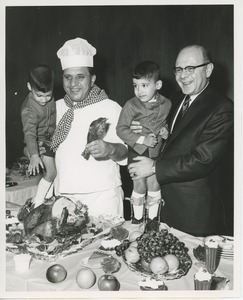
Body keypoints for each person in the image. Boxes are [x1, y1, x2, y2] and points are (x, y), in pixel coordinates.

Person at [128, 45, 233, 237]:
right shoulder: (175, 98)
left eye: (190, 68)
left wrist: (153, 168)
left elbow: (203, 159)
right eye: (178, 69)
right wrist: (139, 129)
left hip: (194, 215)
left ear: (208, 70)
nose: (183, 75)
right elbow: (165, 137)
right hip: (163, 206)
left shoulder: (222, 108)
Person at [49, 37, 127, 218]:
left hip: (102, 198)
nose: (73, 84)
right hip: (63, 197)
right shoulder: (55, 108)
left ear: (92, 79)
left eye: (80, 77)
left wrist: (110, 149)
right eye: (68, 77)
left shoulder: (111, 108)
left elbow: (128, 153)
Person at [116, 61, 171, 224]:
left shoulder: (167, 103)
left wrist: (165, 130)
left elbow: (163, 122)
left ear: (158, 84)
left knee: (154, 184)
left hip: (156, 151)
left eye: (144, 85)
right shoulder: (130, 105)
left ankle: (153, 221)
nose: (139, 91)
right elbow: (120, 129)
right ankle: (137, 220)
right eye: (135, 85)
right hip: (137, 150)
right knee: (139, 184)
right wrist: (142, 139)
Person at [21, 64, 56, 208]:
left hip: (50, 141)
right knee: (51, 173)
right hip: (38, 143)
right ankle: (37, 203)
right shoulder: (30, 109)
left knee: (52, 174)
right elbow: (29, 133)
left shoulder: (51, 98)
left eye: (48, 95)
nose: (44, 100)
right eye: (39, 96)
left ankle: (47, 203)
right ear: (30, 87)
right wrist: (34, 154)